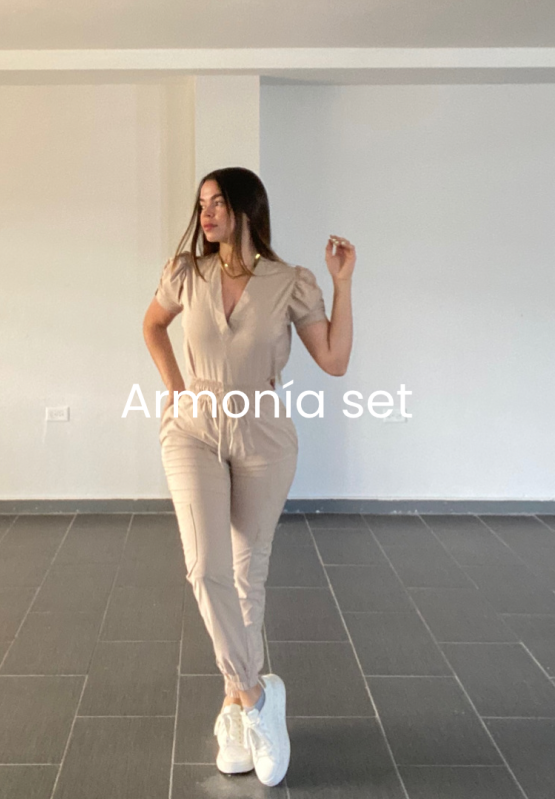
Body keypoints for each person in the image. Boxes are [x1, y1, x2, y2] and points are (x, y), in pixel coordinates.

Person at [143, 167, 355, 787]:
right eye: (201, 204)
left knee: (244, 573)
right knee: (203, 568)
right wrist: (177, 390)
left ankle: (232, 707)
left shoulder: (289, 282)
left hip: (263, 433)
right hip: (193, 427)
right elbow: (152, 325)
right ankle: (258, 698)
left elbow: (334, 360)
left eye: (217, 202)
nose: (205, 213)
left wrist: (343, 284)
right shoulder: (187, 272)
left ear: (246, 208)